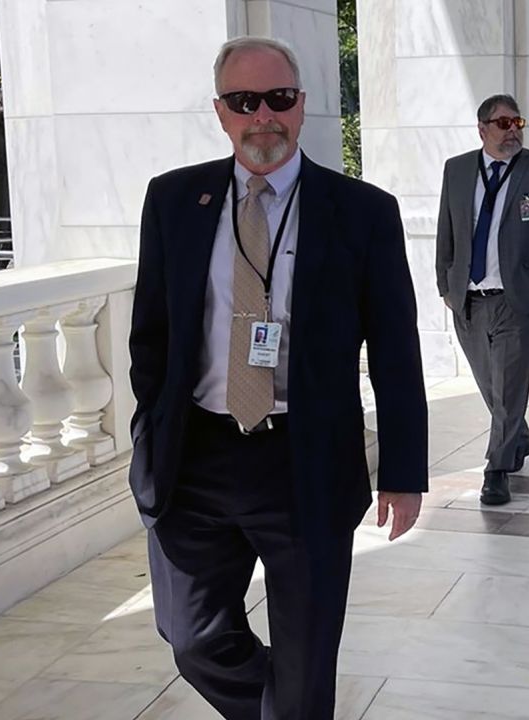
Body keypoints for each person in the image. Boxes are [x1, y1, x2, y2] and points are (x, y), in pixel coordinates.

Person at [128, 37, 428, 719]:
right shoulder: (175, 200)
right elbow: (151, 337)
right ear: (221, 112)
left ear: (302, 104)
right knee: (193, 639)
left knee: (306, 658)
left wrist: (404, 471)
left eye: (279, 99)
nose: (264, 116)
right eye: (245, 101)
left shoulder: (361, 210)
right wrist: (149, 435)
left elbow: (395, 349)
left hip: (305, 461)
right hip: (197, 458)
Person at [436, 94, 529, 506]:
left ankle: (496, 469)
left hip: (518, 299)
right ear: (482, 129)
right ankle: (520, 439)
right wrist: (446, 284)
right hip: (468, 298)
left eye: (517, 122)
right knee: (490, 386)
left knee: (510, 386)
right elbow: (448, 231)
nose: (512, 130)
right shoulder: (457, 170)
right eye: (502, 123)